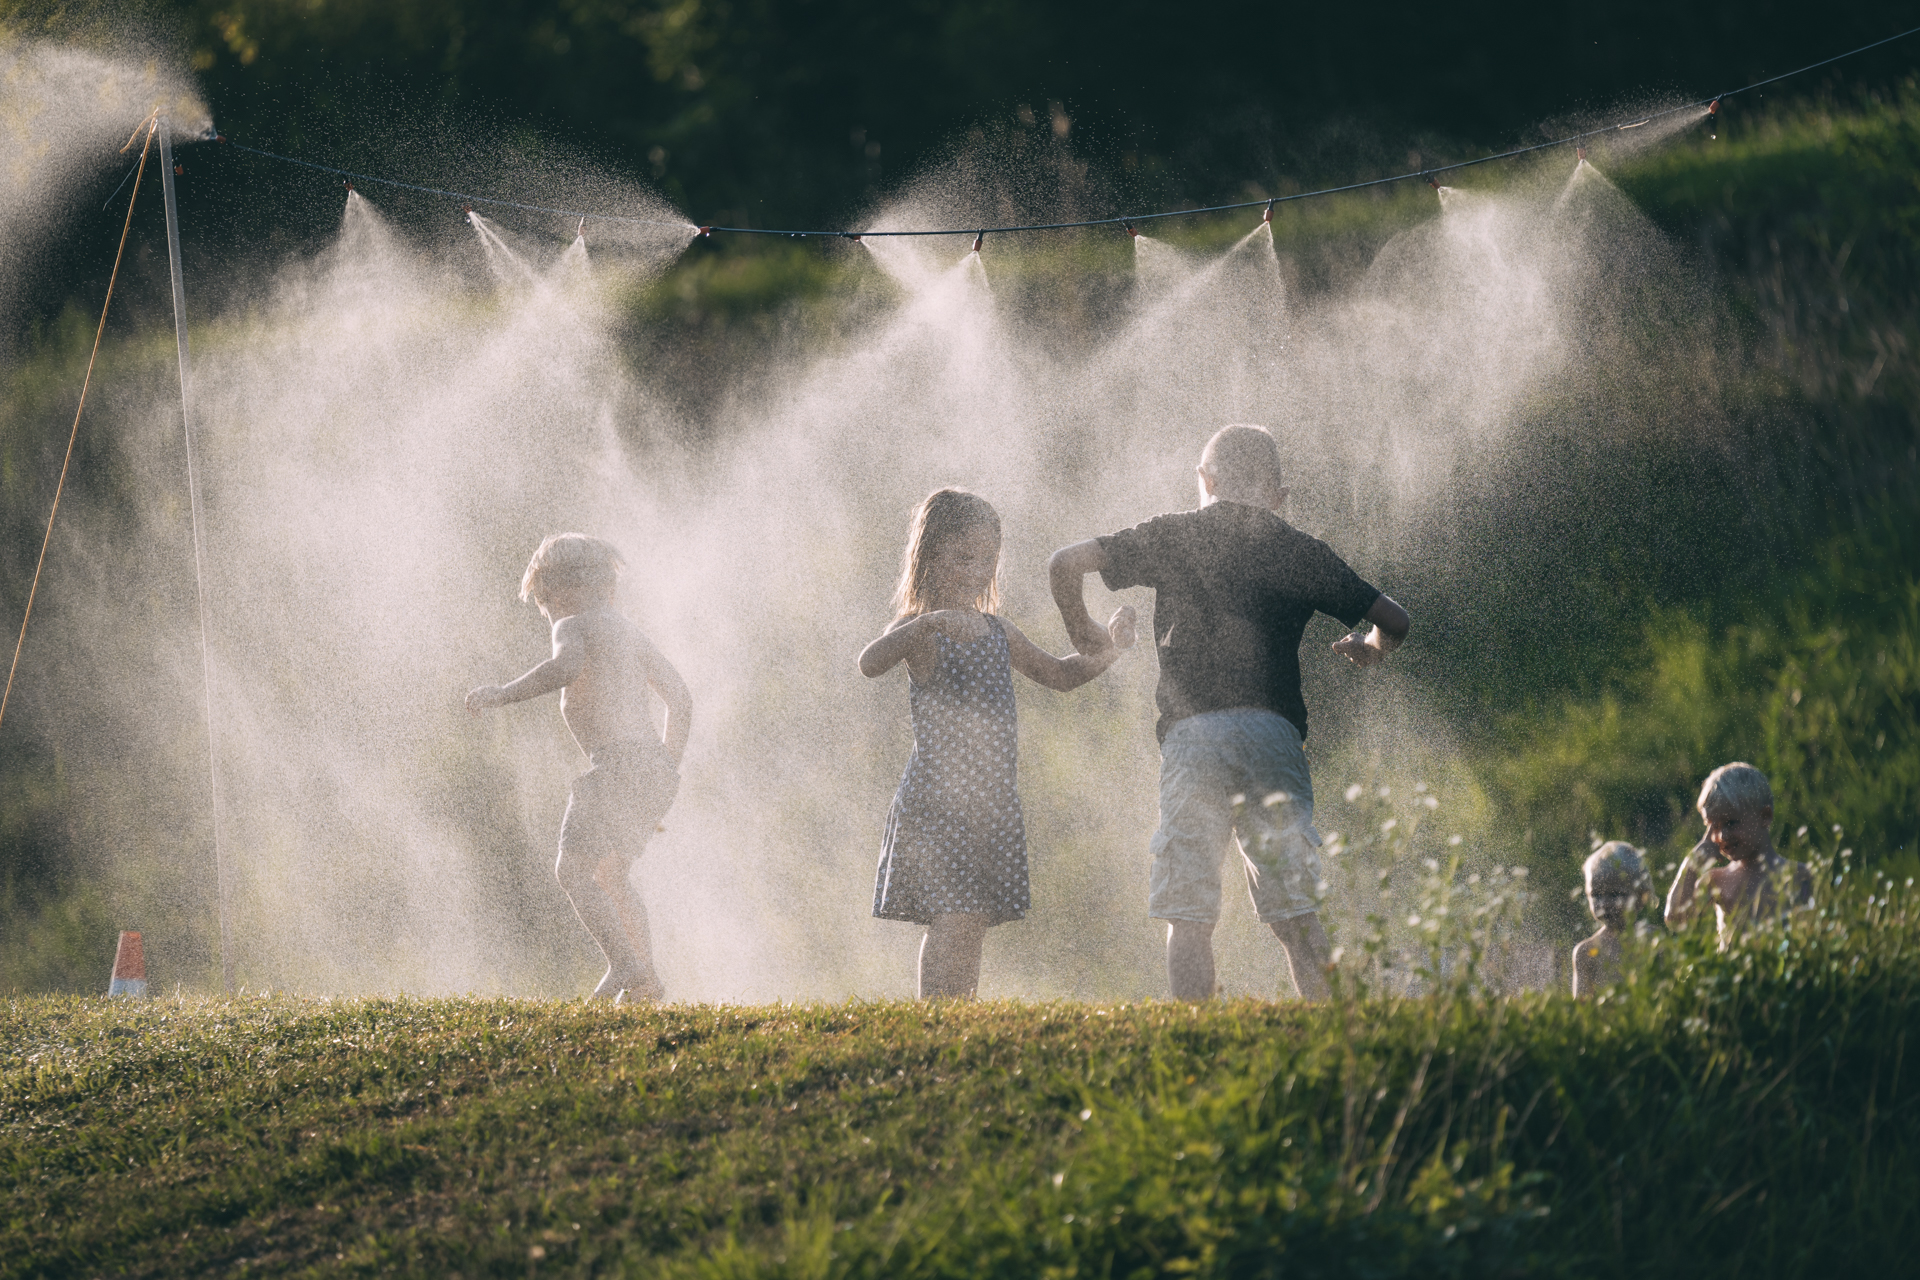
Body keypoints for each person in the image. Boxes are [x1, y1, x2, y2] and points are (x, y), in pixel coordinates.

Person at [1049, 424, 1410, 1001]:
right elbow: (1395, 620)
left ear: (1206, 481)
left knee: (1189, 916)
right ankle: (1336, 1037)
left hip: (1193, 741)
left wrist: (1090, 637)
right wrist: (1369, 649)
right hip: (1273, 738)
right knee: (1295, 913)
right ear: (1279, 495)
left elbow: (1065, 563)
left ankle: (1194, 1040)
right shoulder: (1298, 550)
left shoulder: (1174, 535)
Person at [860, 488, 1136, 999]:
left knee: (971, 921)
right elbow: (869, 661)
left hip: (991, 804)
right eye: (963, 557)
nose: (976, 570)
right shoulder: (919, 630)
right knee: (950, 917)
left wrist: (1111, 653)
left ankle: (957, 1017)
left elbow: (1059, 673)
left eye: (987, 559)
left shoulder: (997, 631)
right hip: (939, 801)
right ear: (930, 557)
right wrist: (926, 622)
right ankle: (938, 1023)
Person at [467, 534, 691, 1001]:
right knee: (612, 877)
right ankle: (646, 984)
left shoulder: (573, 624)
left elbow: (564, 669)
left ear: (557, 591)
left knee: (572, 873)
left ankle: (624, 963)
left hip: (617, 768)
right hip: (652, 768)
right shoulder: (628, 630)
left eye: (542, 604)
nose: (546, 614)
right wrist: (666, 769)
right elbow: (679, 697)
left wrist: (502, 693)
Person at [1664, 762, 1813, 946]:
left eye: (1731, 823)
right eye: (1715, 827)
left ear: (1765, 816)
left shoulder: (1800, 876)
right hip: (1733, 974)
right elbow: (1676, 919)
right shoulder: (1717, 881)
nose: (1722, 836)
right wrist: (1693, 862)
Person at [1572, 841, 1652, 997]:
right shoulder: (1585, 953)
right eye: (1596, 895)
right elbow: (1582, 1009)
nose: (1604, 904)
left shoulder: (1652, 942)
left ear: (1642, 896)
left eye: (1615, 894)